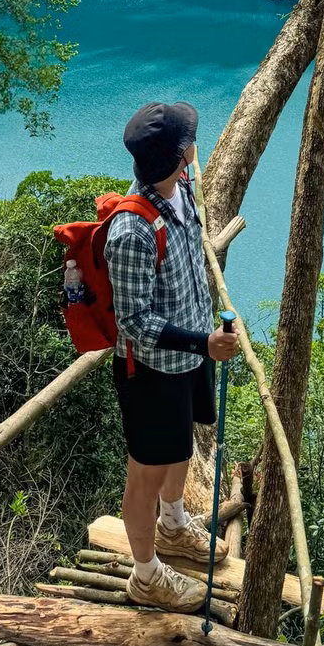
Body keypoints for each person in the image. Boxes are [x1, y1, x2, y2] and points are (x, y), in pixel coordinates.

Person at [105, 100, 241, 611]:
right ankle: (145, 575)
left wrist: (200, 343)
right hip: (151, 370)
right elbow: (134, 323)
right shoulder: (131, 231)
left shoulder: (182, 189)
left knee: (181, 447)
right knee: (144, 471)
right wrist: (203, 342)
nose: (194, 146)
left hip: (188, 358)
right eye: (189, 142)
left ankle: (173, 525)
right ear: (181, 155)